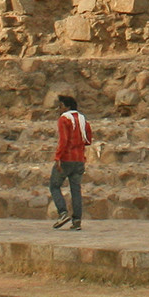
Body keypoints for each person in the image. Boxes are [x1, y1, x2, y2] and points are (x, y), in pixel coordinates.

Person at [50, 94, 91, 230]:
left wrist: (58, 157)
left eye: (60, 106)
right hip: (79, 159)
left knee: (54, 185)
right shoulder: (82, 119)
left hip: (67, 158)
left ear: (67, 107)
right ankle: (77, 221)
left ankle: (62, 212)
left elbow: (64, 140)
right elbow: (88, 139)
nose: (59, 109)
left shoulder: (64, 119)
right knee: (76, 190)